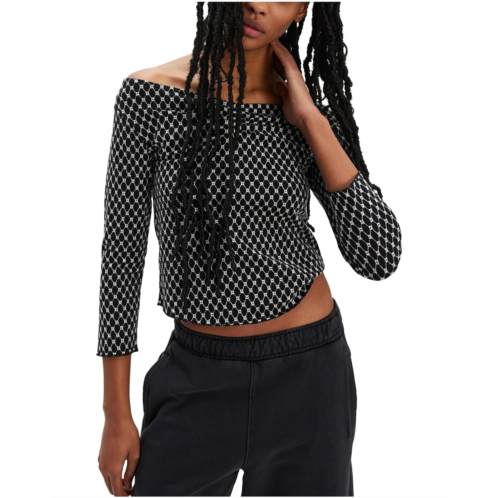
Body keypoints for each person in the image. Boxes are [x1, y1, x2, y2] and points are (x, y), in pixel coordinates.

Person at [96, 2, 403, 496]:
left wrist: (310, 118)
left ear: (302, 11)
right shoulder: (149, 96)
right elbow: (121, 257)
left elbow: (379, 255)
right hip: (196, 376)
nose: (259, 4)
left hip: (310, 376)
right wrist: (116, 414)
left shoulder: (300, 111)